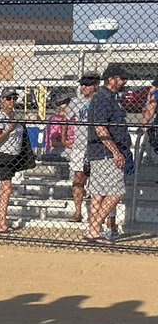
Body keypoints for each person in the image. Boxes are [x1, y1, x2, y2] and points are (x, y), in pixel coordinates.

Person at [85, 64, 131, 244]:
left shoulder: (108, 98)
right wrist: (115, 152)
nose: (123, 82)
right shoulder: (104, 98)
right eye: (120, 78)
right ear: (110, 78)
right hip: (105, 153)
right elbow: (100, 127)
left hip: (100, 152)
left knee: (99, 193)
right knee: (116, 192)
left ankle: (93, 231)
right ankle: (94, 228)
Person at [0, 89, 27, 233]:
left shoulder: (15, 114)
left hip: (13, 155)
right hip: (3, 155)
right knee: (7, 189)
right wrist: (9, 130)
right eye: (9, 98)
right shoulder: (0, 116)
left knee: (4, 190)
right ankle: (2, 223)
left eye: (14, 98)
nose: (12, 101)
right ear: (2, 100)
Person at [65, 73, 98, 223]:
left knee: (98, 181)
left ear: (96, 85)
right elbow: (65, 118)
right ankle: (78, 212)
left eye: (88, 84)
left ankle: (96, 215)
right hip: (79, 146)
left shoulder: (101, 101)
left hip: (97, 146)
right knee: (78, 179)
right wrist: (65, 139)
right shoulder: (76, 101)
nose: (84, 87)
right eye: (82, 84)